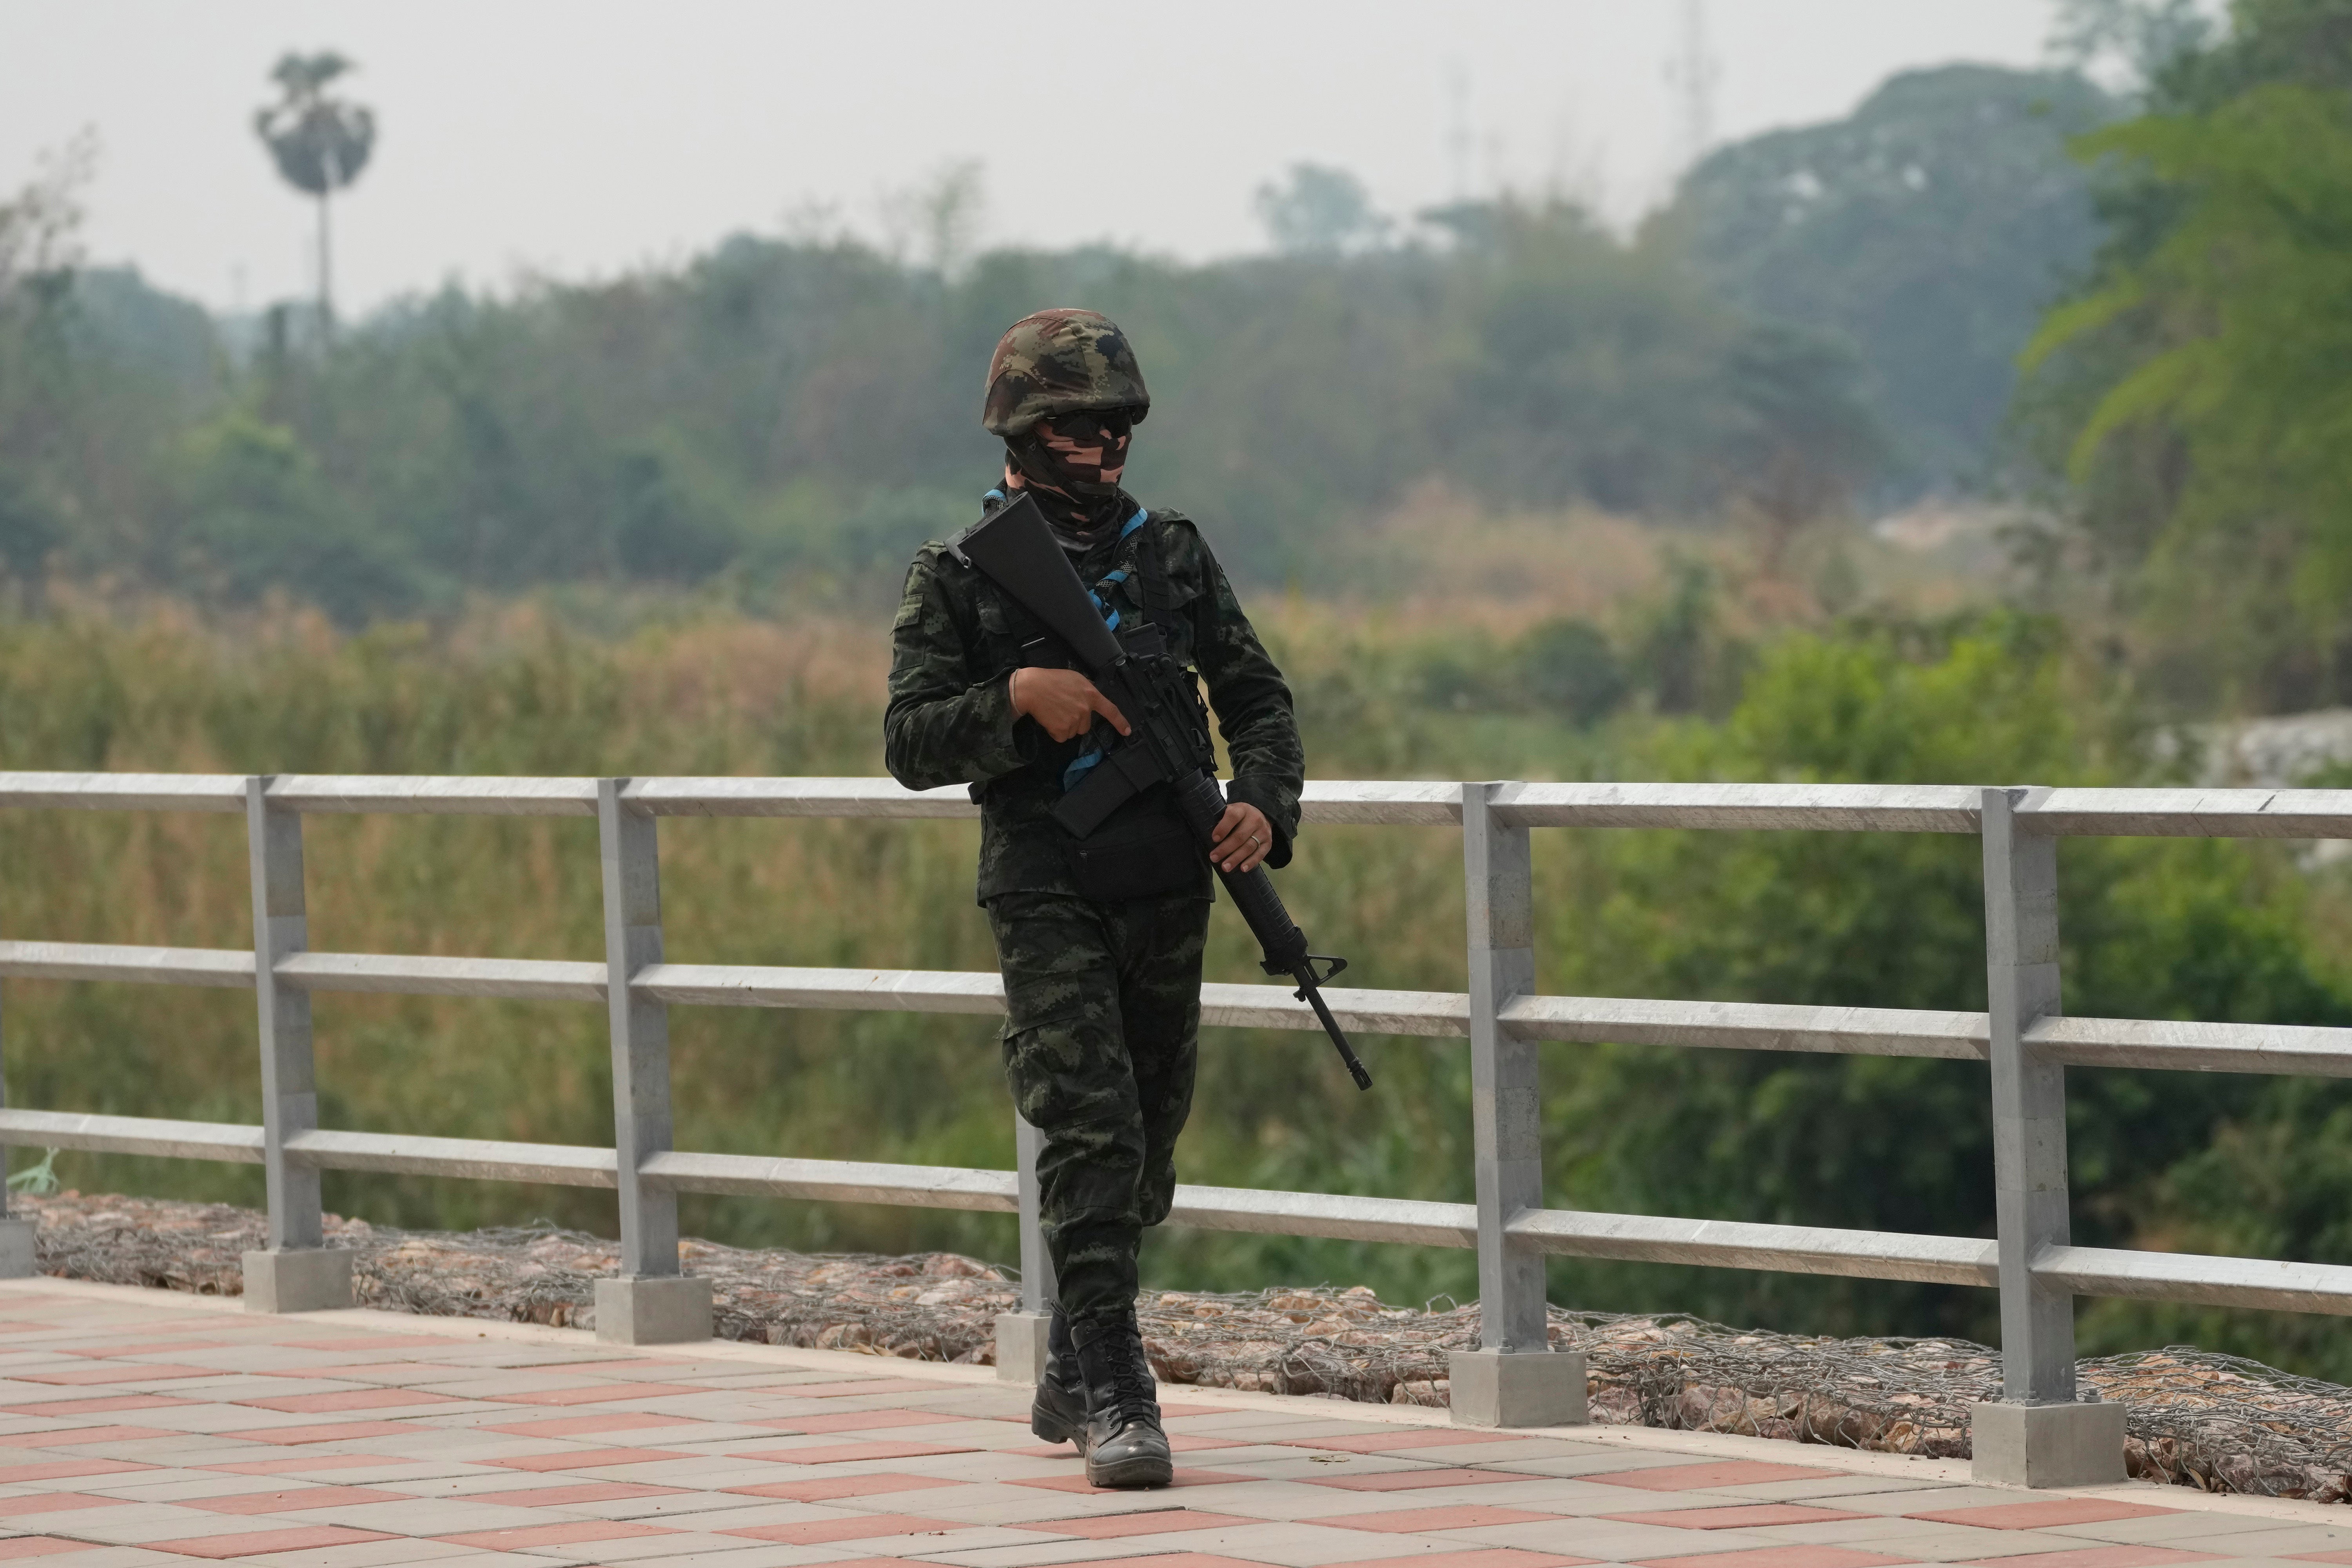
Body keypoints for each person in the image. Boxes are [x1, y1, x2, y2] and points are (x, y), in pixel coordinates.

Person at [883, 309, 1305, 1488]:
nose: (1104, 445)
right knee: (1090, 1129)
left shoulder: (1171, 553)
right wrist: (1019, 698)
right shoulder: (961, 578)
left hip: (1169, 887)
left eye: (1118, 425)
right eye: (1078, 425)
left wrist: (1262, 804)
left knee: (1147, 1149)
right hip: (1048, 886)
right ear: (1023, 431)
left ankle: (1072, 1350)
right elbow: (910, 742)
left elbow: (1259, 699)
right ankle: (1117, 1390)